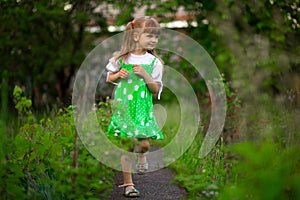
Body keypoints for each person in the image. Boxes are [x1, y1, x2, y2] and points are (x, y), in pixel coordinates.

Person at [105, 16, 164, 197]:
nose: (154, 40)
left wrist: (146, 75)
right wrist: (117, 75)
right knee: (127, 146)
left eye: (156, 37)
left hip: (142, 109)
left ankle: (142, 155)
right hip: (124, 108)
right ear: (136, 36)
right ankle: (129, 184)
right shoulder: (122, 58)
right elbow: (109, 77)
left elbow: (155, 89)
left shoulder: (155, 63)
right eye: (149, 36)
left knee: (144, 145)